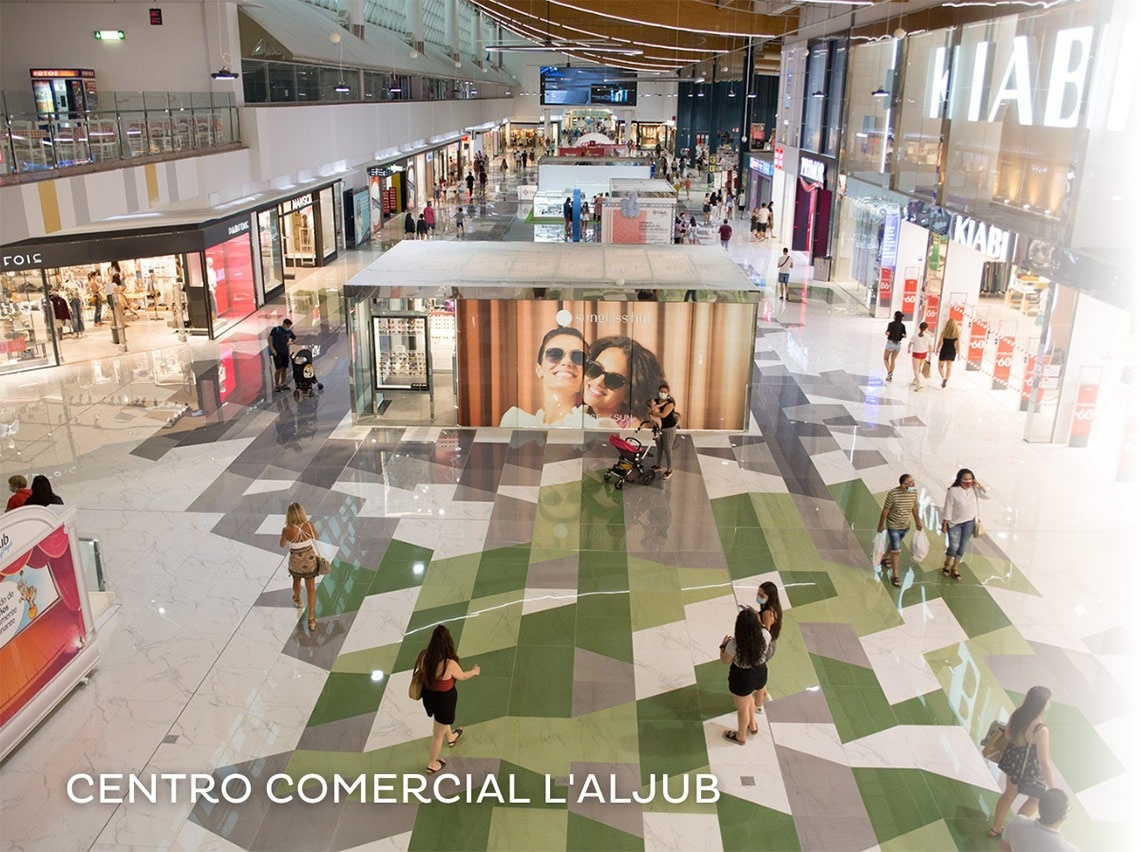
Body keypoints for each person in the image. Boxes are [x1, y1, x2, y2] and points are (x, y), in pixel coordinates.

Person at [989, 686, 1057, 838]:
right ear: (1042, 704)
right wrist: (1053, 787)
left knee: (1008, 794)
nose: (1049, 703)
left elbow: (1008, 735)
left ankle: (995, 828)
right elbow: (1044, 762)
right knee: (1035, 799)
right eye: (1048, 700)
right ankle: (1013, 830)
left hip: (1013, 761)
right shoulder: (1041, 729)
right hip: (1029, 768)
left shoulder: (1017, 714)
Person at [415, 624, 480, 774]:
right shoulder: (449, 664)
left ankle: (451, 737)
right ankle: (432, 764)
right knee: (437, 735)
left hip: (429, 696)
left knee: (441, 721)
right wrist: (474, 671)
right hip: (444, 700)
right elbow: (463, 676)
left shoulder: (424, 656)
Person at [500, 326, 588, 427]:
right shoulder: (515, 421)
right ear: (539, 369)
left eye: (578, 357)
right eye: (554, 354)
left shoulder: (592, 425)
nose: (567, 362)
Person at [583, 336, 665, 428]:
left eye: (613, 379)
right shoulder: (575, 406)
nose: (598, 382)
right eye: (595, 369)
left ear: (630, 394)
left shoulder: (634, 428)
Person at [719, 606, 770, 745]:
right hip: (761, 672)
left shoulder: (734, 644)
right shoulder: (765, 635)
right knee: (749, 698)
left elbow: (725, 660)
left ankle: (740, 736)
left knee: (742, 710)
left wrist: (723, 646)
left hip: (742, 679)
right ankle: (752, 725)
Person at [279, 501, 323, 632]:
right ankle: (311, 619)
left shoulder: (287, 530)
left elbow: (282, 545)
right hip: (309, 560)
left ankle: (298, 599)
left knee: (296, 580)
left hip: (295, 561)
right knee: (311, 588)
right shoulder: (309, 525)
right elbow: (316, 537)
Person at [876, 473, 923, 587]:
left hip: (905, 525)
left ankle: (885, 556)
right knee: (896, 550)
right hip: (893, 525)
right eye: (910, 483)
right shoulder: (893, 494)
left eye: (913, 481)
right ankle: (895, 575)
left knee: (894, 544)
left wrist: (917, 521)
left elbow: (914, 507)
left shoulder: (913, 493)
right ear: (903, 485)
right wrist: (881, 524)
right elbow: (886, 510)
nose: (913, 484)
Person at [940, 467, 988, 580]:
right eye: (965, 479)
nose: (968, 482)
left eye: (970, 479)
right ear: (959, 479)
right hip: (954, 523)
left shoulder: (974, 489)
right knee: (954, 546)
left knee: (962, 546)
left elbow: (986, 495)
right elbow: (948, 508)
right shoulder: (953, 491)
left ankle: (955, 567)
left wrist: (978, 484)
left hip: (969, 522)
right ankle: (947, 563)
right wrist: (944, 523)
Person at [1000, 788, 1076, 852]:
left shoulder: (1016, 822)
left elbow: (1004, 848)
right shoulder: (1070, 849)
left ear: (1039, 807)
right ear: (1063, 817)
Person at [753, 582, 782, 713]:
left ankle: (758, 705)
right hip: (771, 643)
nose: (758, 597)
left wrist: (756, 618)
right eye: (758, 594)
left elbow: (766, 633)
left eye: (762, 595)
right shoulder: (773, 608)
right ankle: (765, 694)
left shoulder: (768, 613)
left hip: (766, 646)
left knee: (758, 674)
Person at [649, 383, 678, 480]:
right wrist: (651, 420)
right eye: (661, 391)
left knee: (667, 448)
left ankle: (669, 469)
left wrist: (653, 412)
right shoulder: (655, 401)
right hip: (657, 427)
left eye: (665, 392)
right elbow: (649, 413)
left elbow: (663, 415)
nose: (662, 393)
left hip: (669, 428)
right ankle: (658, 464)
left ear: (668, 393)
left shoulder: (670, 403)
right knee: (659, 447)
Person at [269, 318, 296, 392]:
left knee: (284, 368)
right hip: (277, 352)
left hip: (285, 352)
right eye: (287, 326)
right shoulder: (276, 330)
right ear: (284, 324)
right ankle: (277, 385)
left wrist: (292, 342)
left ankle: (283, 383)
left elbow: (295, 338)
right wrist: (272, 349)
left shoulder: (289, 332)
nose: (288, 328)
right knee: (278, 369)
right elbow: (269, 339)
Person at [908, 321, 933, 390]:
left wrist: (909, 349)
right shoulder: (928, 336)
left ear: (919, 327)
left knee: (915, 369)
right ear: (927, 328)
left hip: (916, 353)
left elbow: (910, 343)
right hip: (924, 353)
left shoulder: (915, 335)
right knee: (918, 367)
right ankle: (915, 380)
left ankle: (919, 383)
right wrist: (930, 354)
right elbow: (930, 346)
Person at [884, 310, 907, 381]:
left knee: (885, 358)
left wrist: (887, 333)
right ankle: (890, 376)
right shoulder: (903, 326)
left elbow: (887, 333)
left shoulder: (891, 324)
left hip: (890, 343)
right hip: (898, 345)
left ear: (895, 316)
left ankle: (889, 372)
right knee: (893, 360)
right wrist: (900, 335)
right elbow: (905, 335)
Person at [937, 317, 960, 388]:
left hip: (944, 350)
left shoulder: (944, 332)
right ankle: (946, 380)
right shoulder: (957, 333)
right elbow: (958, 344)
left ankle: (943, 377)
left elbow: (940, 342)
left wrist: (937, 349)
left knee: (940, 366)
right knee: (949, 367)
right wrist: (959, 353)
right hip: (952, 351)